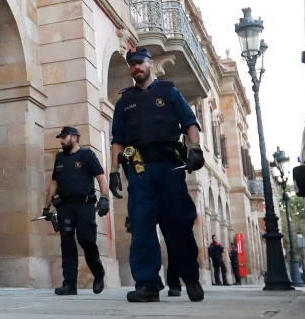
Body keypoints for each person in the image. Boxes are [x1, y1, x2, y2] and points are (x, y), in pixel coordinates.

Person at [109, 46, 205, 303]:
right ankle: (147, 285)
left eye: (140, 62)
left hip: (169, 168)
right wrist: (114, 171)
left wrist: (194, 149)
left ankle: (191, 279)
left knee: (179, 224)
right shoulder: (124, 102)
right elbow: (117, 140)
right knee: (141, 225)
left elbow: (190, 124)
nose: (136, 67)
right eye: (132, 64)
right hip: (139, 171)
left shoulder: (169, 93)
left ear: (150, 63)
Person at [43, 126, 110, 295]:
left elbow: (100, 177)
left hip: (84, 205)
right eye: (61, 138)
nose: (61, 140)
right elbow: (54, 183)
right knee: (66, 242)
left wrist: (104, 198)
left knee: (86, 240)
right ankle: (69, 283)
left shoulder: (87, 156)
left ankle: (98, 274)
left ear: (74, 137)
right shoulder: (59, 158)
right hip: (65, 206)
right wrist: (46, 206)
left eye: (64, 137)